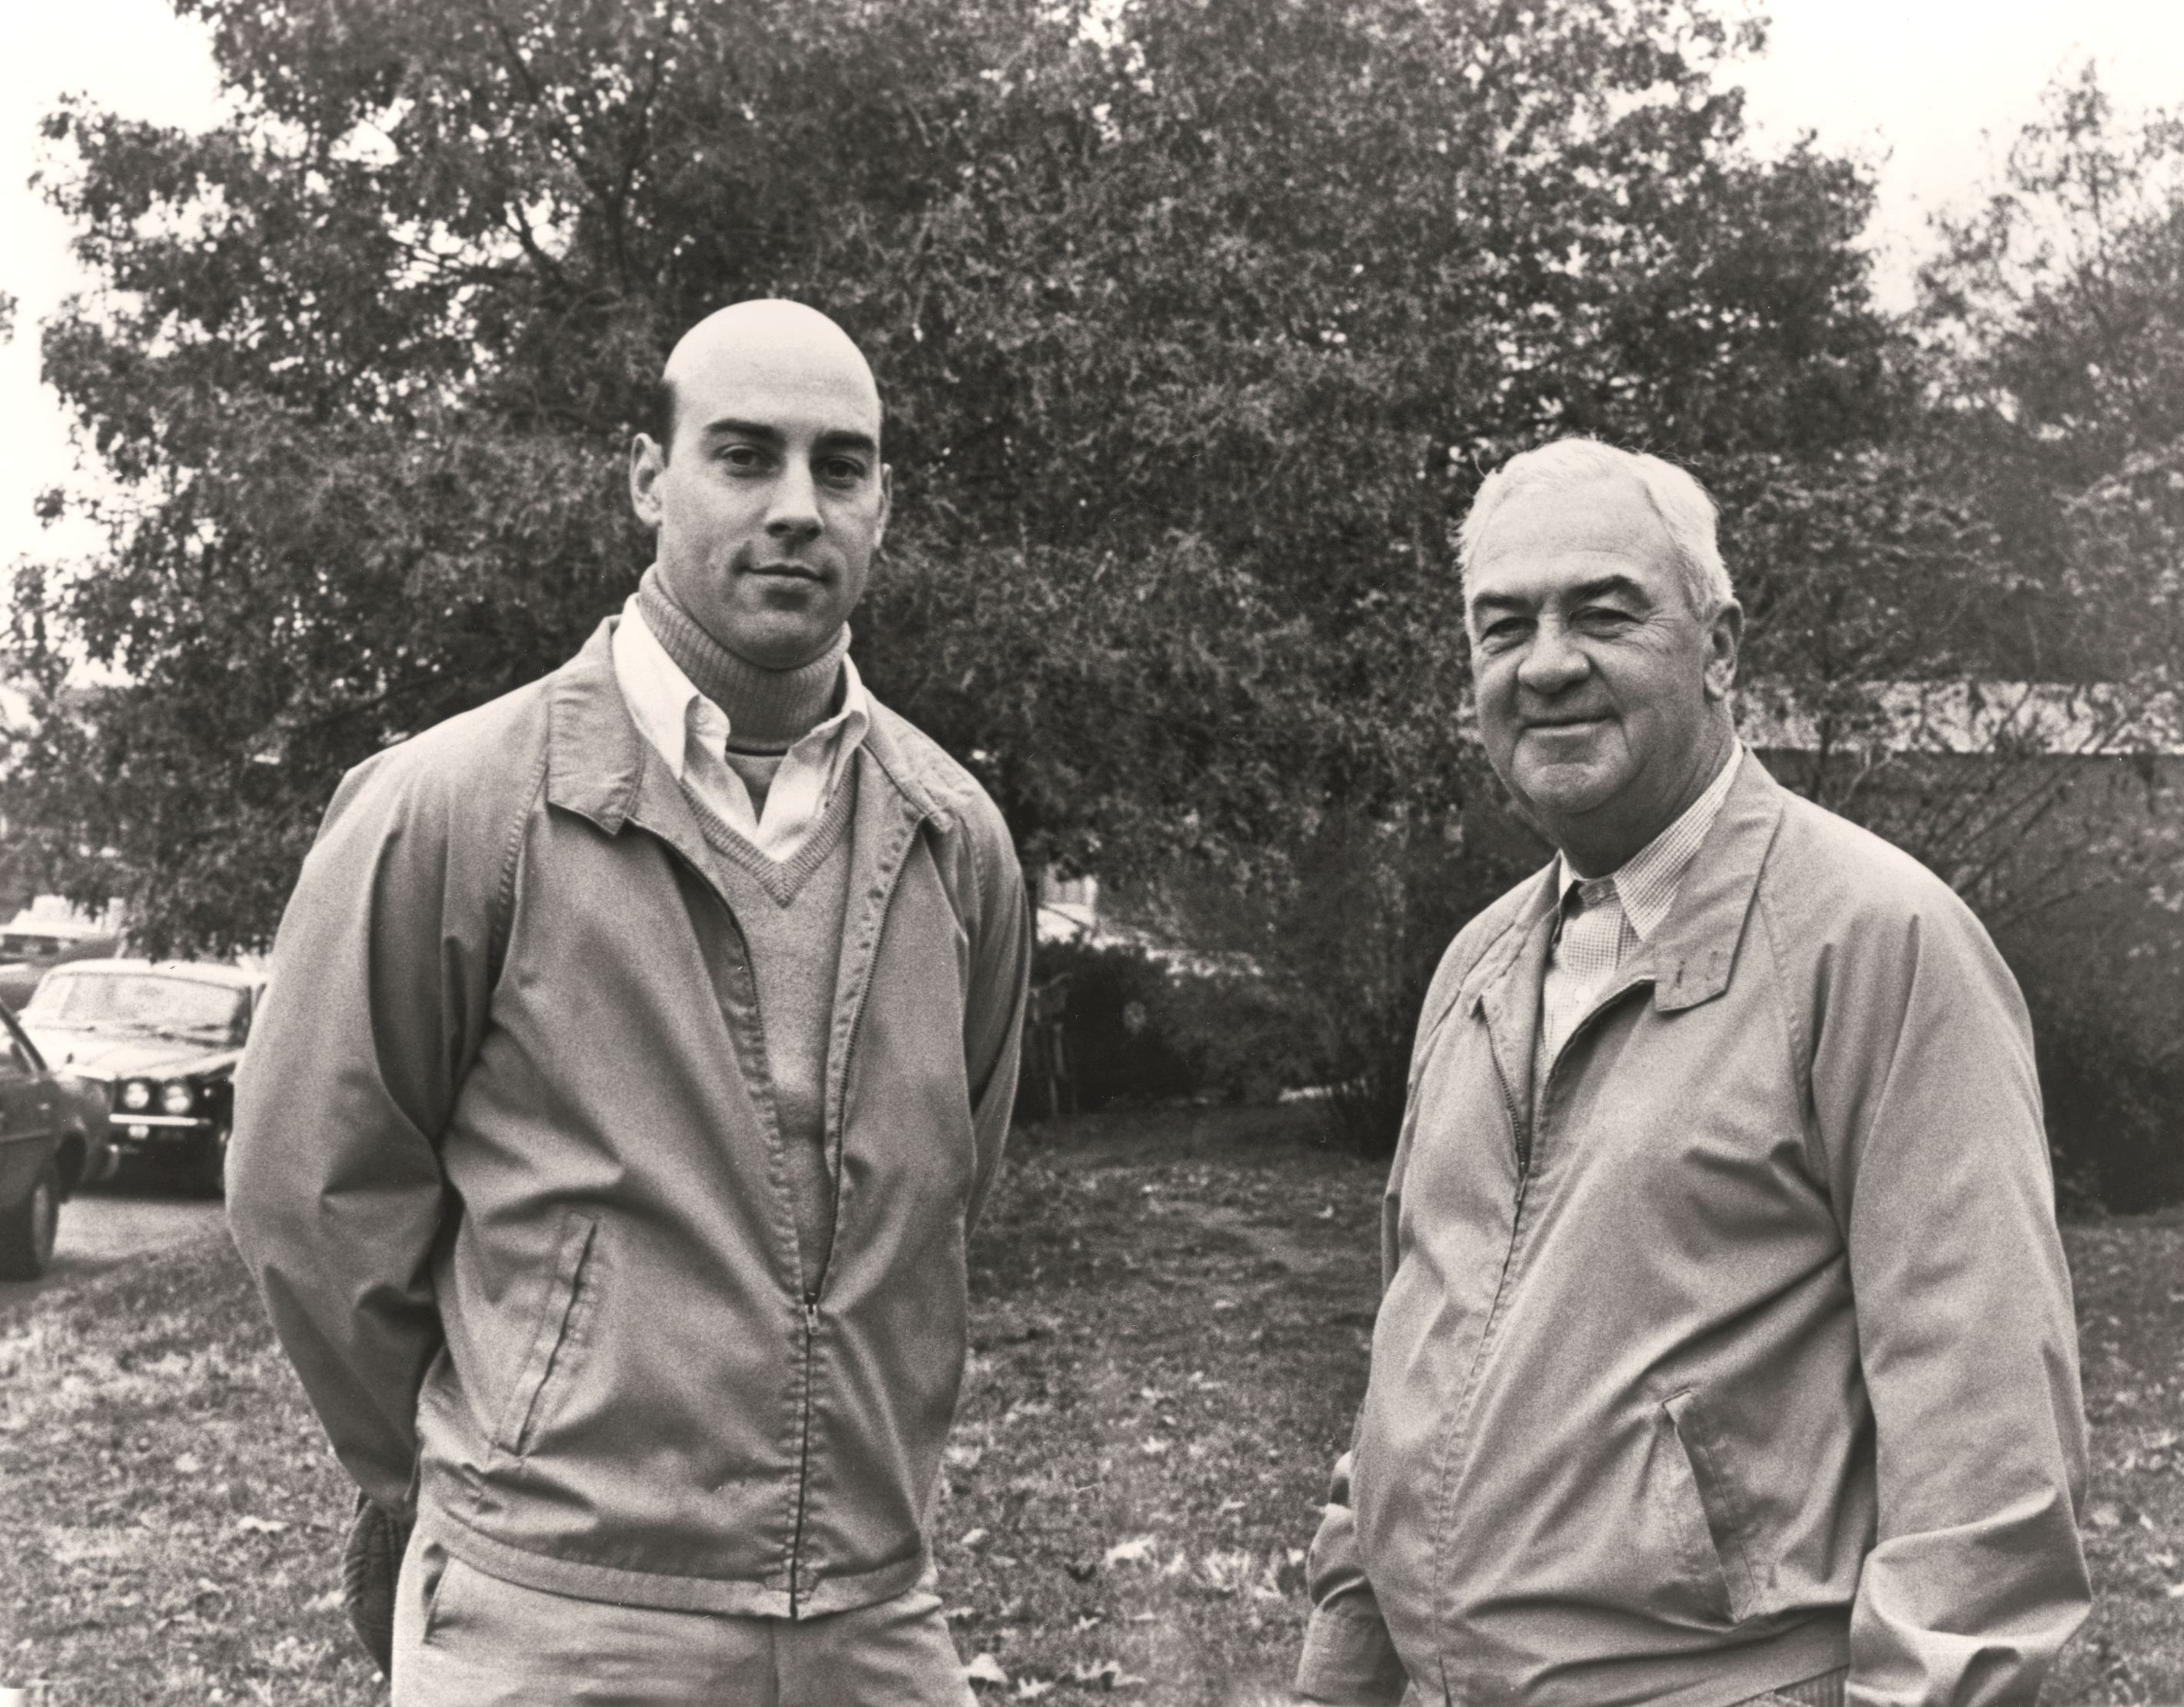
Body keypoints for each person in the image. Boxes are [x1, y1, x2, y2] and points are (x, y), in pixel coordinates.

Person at [228, 299, 1032, 1705]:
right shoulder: (457, 807)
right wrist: (496, 1472)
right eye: (742, 455)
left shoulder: (953, 837)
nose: (796, 507)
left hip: (871, 1613)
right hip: (553, 1618)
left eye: (838, 468)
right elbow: (310, 1198)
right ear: (648, 477)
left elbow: (947, 1196)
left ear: (884, 502)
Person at [1291, 438, 2089, 1707]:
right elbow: (1410, 1366)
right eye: (1503, 628)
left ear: (1718, 648)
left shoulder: (1878, 941)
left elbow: (1984, 1463)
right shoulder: (1475, 967)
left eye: (1602, 613)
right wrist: (1339, 1674)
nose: (1546, 663)